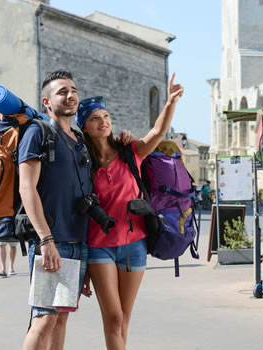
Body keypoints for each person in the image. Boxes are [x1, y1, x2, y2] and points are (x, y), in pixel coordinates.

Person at [19, 70, 135, 350]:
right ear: (47, 102)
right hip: (52, 242)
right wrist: (46, 240)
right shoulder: (38, 133)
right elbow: (27, 188)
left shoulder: (80, 141)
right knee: (44, 321)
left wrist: (123, 141)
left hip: (78, 245)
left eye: (73, 90)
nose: (70, 95)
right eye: (61, 92)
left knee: (60, 321)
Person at [76, 73, 183, 350]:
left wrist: (170, 102)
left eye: (106, 116)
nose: (104, 122)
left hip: (135, 243)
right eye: (95, 118)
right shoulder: (83, 162)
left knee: (124, 318)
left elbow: (157, 133)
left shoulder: (129, 151)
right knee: (112, 317)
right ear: (85, 127)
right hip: (100, 246)